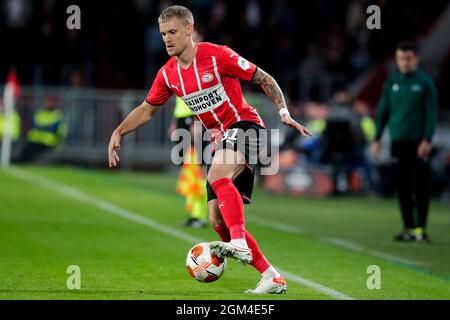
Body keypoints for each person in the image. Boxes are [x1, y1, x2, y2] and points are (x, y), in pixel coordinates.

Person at [108, 5, 311, 294]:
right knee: (217, 220)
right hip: (221, 140)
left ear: (189, 30)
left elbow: (263, 77)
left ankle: (239, 243)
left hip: (246, 126)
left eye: (173, 32)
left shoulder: (217, 55)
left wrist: (283, 112)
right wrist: (118, 131)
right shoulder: (168, 75)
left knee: (217, 176)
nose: (167, 38)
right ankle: (271, 277)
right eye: (163, 33)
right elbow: (147, 109)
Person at [371, 42, 438, 242]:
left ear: (416, 59)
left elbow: (431, 113)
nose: (405, 62)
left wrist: (427, 139)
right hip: (398, 141)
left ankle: (421, 229)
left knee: (421, 186)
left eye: (408, 58)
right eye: (401, 58)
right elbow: (382, 111)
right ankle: (408, 228)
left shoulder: (425, 83)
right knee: (403, 186)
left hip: (419, 143)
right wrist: (376, 138)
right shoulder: (392, 83)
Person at [18, 96, 67, 162]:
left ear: (55, 103)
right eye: (47, 101)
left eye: (51, 102)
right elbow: (34, 126)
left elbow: (60, 130)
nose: (48, 103)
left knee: (35, 154)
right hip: (35, 140)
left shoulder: (58, 115)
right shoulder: (39, 113)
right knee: (26, 151)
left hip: (48, 142)